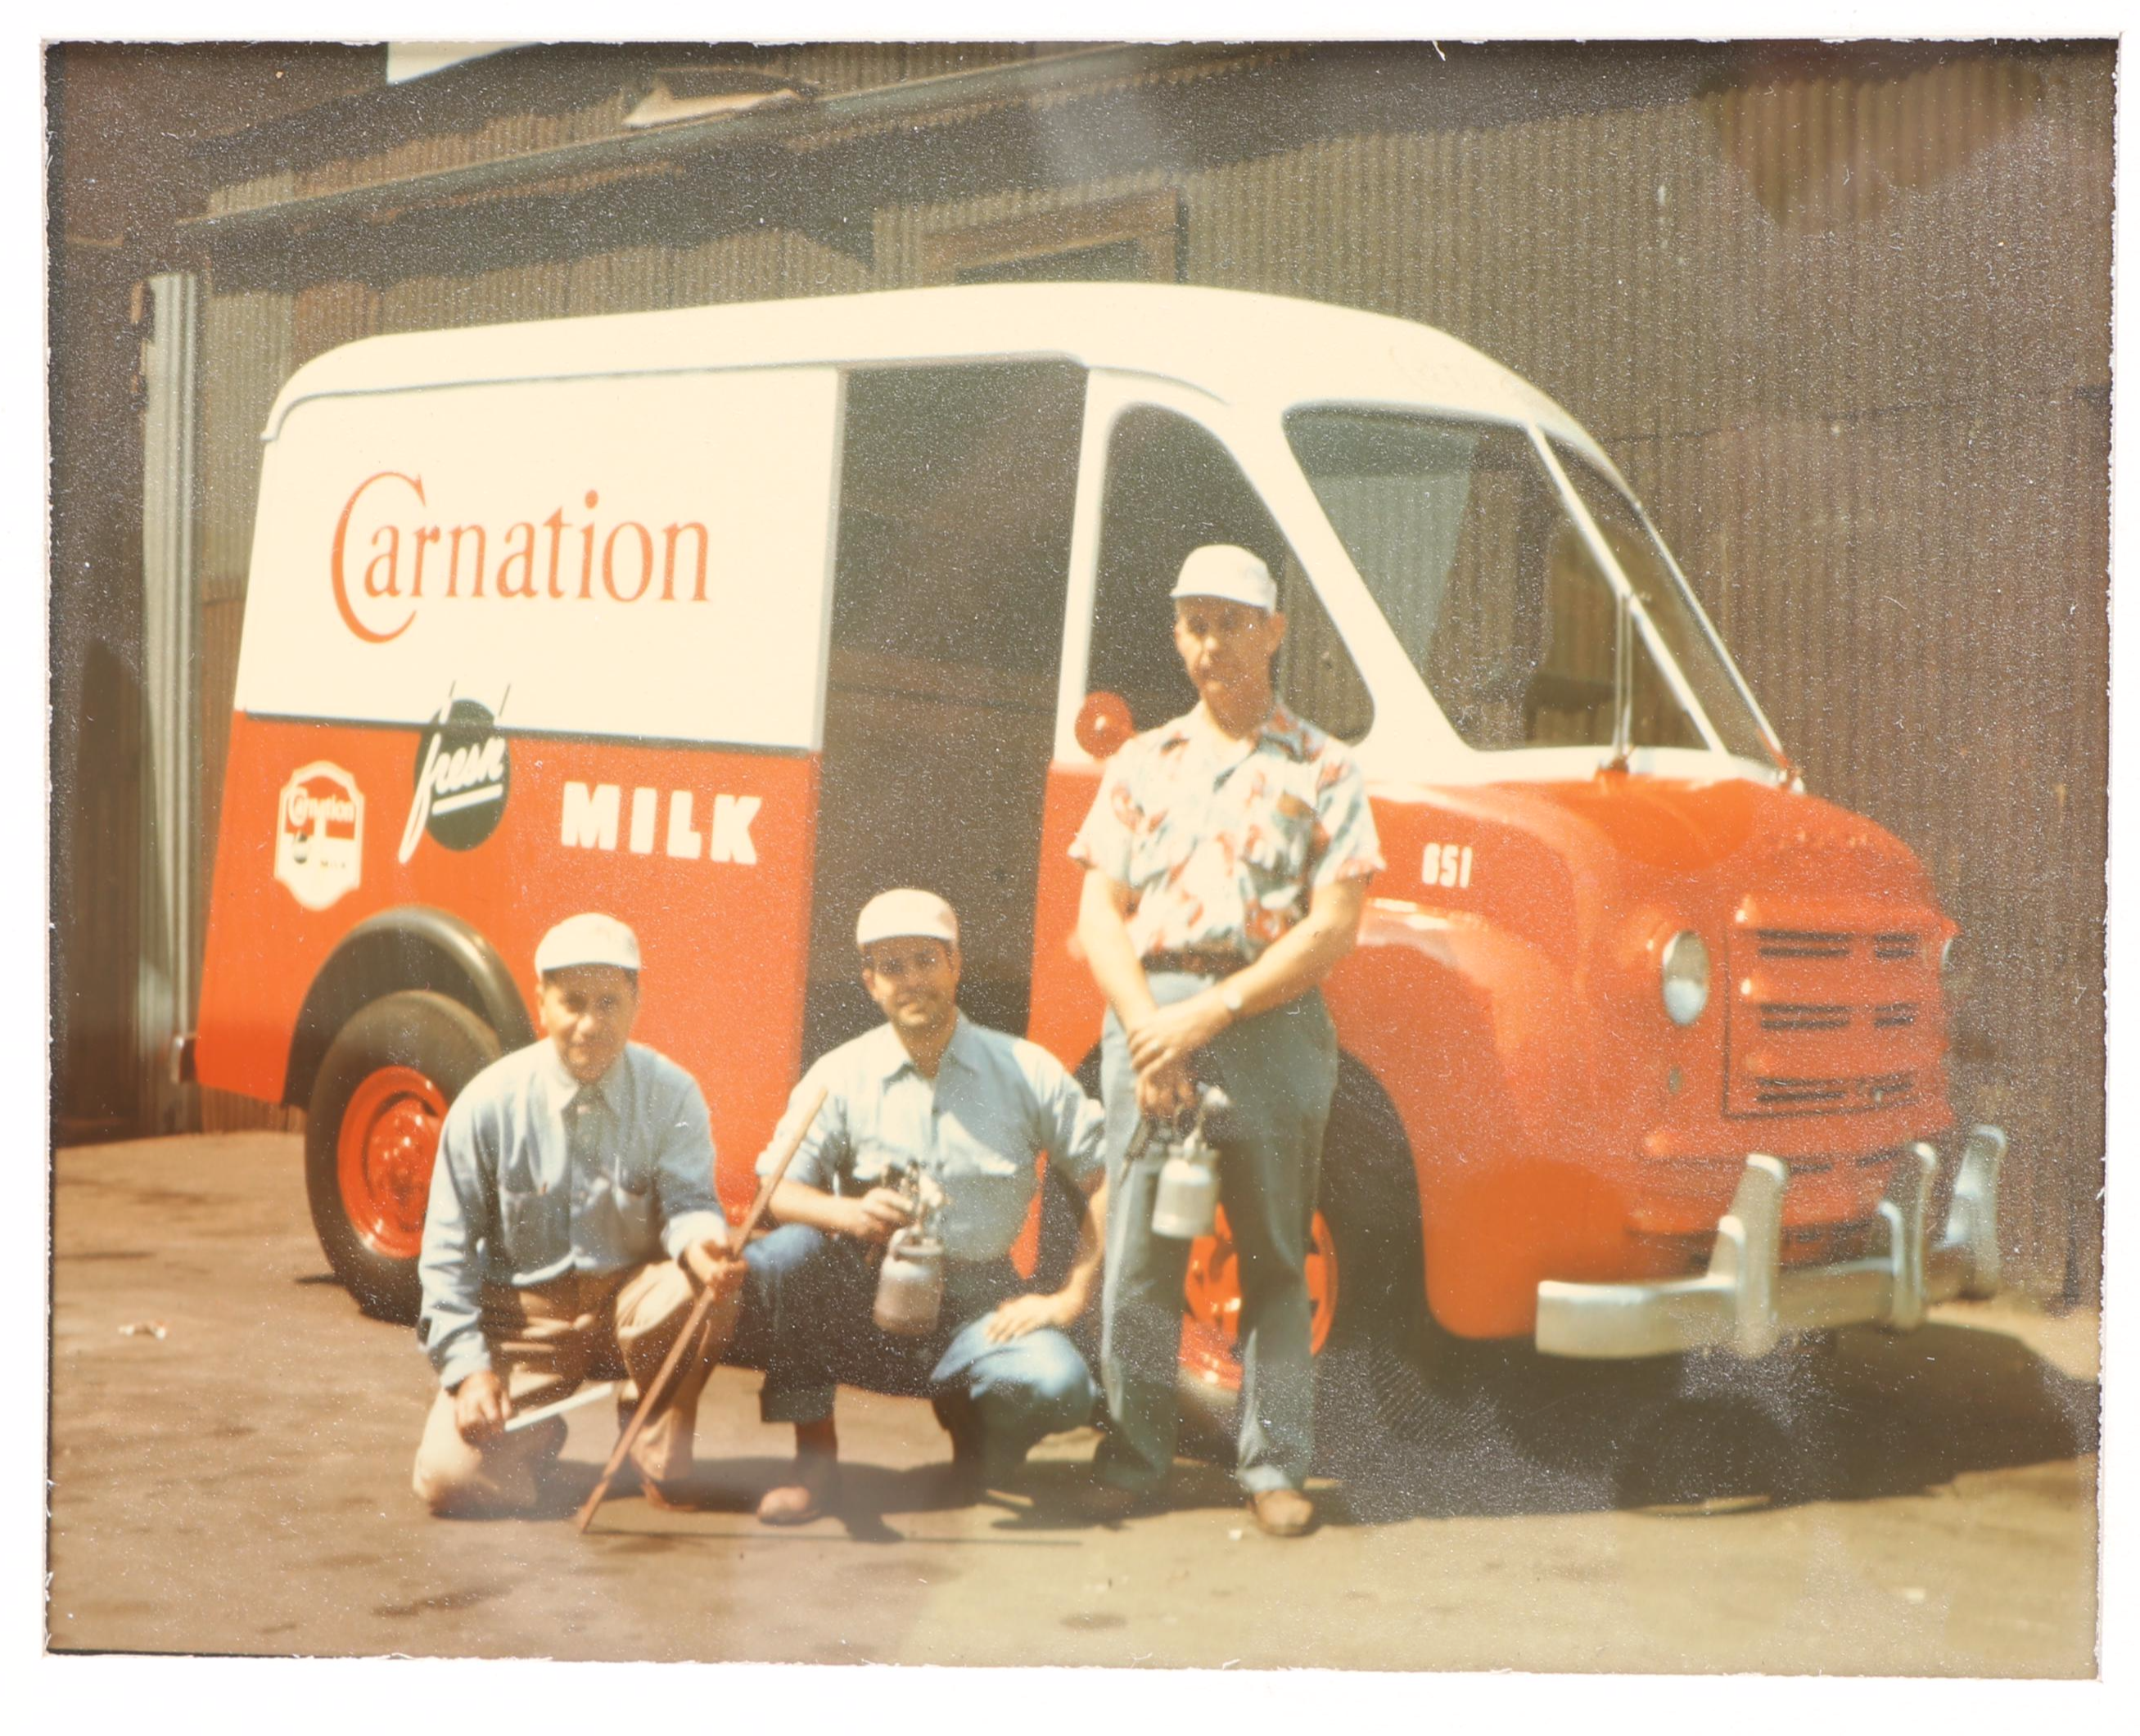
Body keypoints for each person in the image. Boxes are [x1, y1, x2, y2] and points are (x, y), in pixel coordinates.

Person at [1070, 543, 1383, 1538]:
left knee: (1277, 1253)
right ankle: (1133, 1454)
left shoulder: (1326, 768)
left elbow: (1331, 925)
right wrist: (1147, 1028)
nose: (1212, 645)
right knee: (1139, 1255)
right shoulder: (1138, 764)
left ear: (1275, 631)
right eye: (1194, 623)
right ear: (1176, 636)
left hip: (1269, 1021)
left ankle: (1274, 1467)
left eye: (1232, 622)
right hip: (1151, 1021)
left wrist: (1216, 1011)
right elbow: (1098, 913)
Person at [737, 888, 1108, 1525]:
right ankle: (816, 1463)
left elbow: (1109, 1176)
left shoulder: (1025, 1071)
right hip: (867, 1290)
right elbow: (775, 1191)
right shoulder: (841, 1073)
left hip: (977, 1298)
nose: (911, 980)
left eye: (925, 960)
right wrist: (848, 1215)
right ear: (870, 983)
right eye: (891, 966)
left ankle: (983, 1434)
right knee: (786, 1255)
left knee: (1060, 1385)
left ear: (956, 964)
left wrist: (1071, 1295)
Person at [411, 912, 745, 1516]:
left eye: (610, 1002)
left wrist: (703, 1247)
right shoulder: (486, 1105)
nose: (591, 1024)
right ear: (541, 1001)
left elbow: (691, 1204)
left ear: (637, 1000)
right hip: (525, 1320)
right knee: (447, 1482)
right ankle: (535, 1429)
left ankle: (653, 1440)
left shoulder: (673, 1093)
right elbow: (445, 1256)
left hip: (630, 1303)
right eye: (572, 1002)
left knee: (704, 1289)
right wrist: (468, 1373)